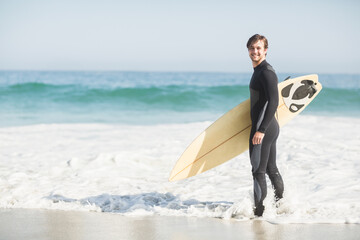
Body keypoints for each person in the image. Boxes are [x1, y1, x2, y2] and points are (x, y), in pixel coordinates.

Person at [247, 34, 284, 217]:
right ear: (248, 50)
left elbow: (274, 102)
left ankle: (258, 215)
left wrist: (260, 130)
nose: (255, 51)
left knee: (258, 172)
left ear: (265, 50)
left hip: (264, 128)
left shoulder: (266, 72)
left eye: (259, 48)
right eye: (252, 48)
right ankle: (281, 208)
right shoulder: (260, 71)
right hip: (270, 127)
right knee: (270, 169)